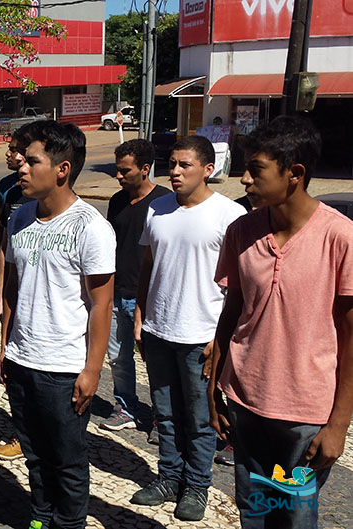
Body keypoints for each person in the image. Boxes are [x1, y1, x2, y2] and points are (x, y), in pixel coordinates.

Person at [209, 116, 353, 528]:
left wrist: (339, 423)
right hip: (244, 401)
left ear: (295, 174)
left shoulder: (340, 238)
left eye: (256, 169)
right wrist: (213, 388)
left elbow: (350, 337)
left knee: (294, 515)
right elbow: (231, 313)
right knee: (254, 512)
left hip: (305, 416)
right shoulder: (242, 231)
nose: (244, 180)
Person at [0, 121, 115, 529]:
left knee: (66, 460)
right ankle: (39, 517)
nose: (21, 168)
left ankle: (69, 524)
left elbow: (102, 304)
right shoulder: (20, 218)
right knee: (33, 453)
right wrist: (5, 346)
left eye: (33, 161)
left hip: (64, 368)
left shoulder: (91, 228)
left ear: (62, 169)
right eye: (22, 160)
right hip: (21, 359)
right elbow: (12, 288)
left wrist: (92, 370)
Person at [131, 135, 245, 521]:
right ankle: (168, 477)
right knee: (164, 412)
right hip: (159, 330)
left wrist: (221, 338)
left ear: (208, 170)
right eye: (172, 164)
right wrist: (139, 316)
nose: (175, 172)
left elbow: (239, 286)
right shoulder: (158, 209)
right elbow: (149, 267)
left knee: (200, 418)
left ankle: (197, 487)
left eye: (185, 165)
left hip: (201, 335)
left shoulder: (229, 215)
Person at [99, 139, 170, 432]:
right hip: (117, 294)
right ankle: (125, 407)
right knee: (118, 358)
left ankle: (162, 418)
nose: (119, 176)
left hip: (151, 299)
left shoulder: (165, 203)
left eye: (125, 171)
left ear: (145, 169)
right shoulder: (117, 202)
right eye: (117, 170)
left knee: (156, 365)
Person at [0, 137, 30, 461]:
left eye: (16, 149)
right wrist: (1, 290)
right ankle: (22, 433)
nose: (9, 154)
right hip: (14, 282)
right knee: (12, 363)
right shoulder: (7, 187)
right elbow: (3, 239)